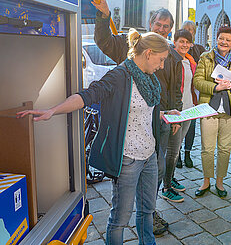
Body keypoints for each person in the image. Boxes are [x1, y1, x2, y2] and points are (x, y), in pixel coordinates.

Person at [17, 29, 179, 245]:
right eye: (161, 60)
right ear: (148, 53)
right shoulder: (120, 75)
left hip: (149, 155)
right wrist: (53, 110)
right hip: (127, 159)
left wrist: (164, 114)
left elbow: (143, 111)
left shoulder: (149, 79)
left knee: (147, 211)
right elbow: (88, 95)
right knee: (120, 219)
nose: (162, 66)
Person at [92, 0, 183, 235]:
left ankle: (148, 211)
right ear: (151, 22)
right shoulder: (132, 46)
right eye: (159, 24)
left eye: (166, 26)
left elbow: (175, 87)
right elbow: (103, 41)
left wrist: (175, 114)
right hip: (131, 125)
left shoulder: (171, 54)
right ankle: (139, 214)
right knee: (130, 181)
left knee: (158, 169)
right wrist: (103, 16)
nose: (162, 29)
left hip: (159, 120)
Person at [193, 26, 231, 198]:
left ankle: (220, 181)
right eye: (221, 38)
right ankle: (206, 181)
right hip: (209, 108)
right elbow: (197, 81)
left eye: (228, 40)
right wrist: (215, 87)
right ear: (216, 39)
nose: (224, 42)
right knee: (207, 148)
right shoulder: (206, 57)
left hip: (230, 110)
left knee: (225, 148)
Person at [161, 29, 197, 202]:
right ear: (174, 42)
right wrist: (174, 114)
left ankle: (171, 178)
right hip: (177, 111)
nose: (184, 45)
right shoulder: (170, 60)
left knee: (177, 149)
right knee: (173, 151)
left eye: (187, 42)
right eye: (181, 41)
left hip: (188, 109)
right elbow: (171, 89)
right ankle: (166, 186)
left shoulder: (189, 60)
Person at [177, 20, 206, 168]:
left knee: (190, 128)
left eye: (191, 30)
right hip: (179, 95)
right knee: (177, 129)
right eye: (185, 29)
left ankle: (187, 153)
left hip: (193, 95)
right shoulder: (176, 52)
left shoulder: (199, 50)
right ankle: (177, 155)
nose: (189, 32)